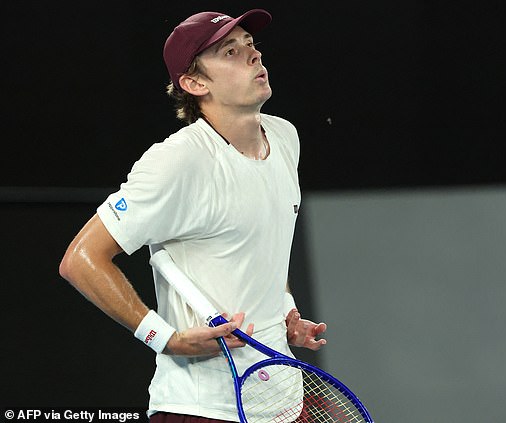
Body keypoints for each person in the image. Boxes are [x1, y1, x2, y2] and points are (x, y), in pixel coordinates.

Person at [59, 8, 327, 423]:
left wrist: (286, 309)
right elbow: (81, 260)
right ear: (194, 83)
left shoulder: (285, 137)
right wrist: (164, 338)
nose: (253, 56)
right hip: (203, 409)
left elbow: (262, 249)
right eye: (230, 51)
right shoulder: (177, 161)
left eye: (251, 45)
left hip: (285, 402)